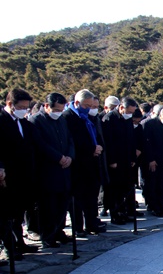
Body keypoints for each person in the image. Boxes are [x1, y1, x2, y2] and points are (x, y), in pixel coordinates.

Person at [29, 93, 74, 248]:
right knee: (48, 206)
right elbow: (40, 145)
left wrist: (69, 156)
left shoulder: (61, 119)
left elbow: (69, 140)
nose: (58, 113)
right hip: (48, 171)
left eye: (61, 110)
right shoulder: (36, 120)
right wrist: (58, 157)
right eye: (56, 109)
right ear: (46, 106)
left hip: (64, 169)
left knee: (62, 204)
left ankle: (59, 230)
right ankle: (48, 235)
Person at [0, 88, 40, 259]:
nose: (25, 110)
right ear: (10, 104)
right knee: (6, 215)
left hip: (24, 176)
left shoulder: (24, 123)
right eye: (22, 106)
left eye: (27, 107)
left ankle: (19, 242)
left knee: (18, 212)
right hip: (8, 177)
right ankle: (8, 247)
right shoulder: (1, 121)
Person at [63, 89, 107, 236]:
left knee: (91, 196)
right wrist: (91, 149)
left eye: (92, 106)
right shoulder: (68, 117)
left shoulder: (87, 117)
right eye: (86, 105)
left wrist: (97, 148)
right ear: (77, 103)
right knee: (77, 199)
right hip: (78, 165)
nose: (89, 108)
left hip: (92, 163)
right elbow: (73, 141)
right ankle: (78, 227)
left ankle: (91, 223)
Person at [102, 96, 138, 224]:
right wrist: (112, 160)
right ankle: (115, 214)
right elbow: (108, 142)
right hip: (116, 160)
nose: (130, 114)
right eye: (129, 111)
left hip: (127, 159)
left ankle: (125, 212)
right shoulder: (109, 118)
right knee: (115, 190)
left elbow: (131, 139)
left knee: (125, 187)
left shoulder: (127, 119)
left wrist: (132, 157)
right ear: (121, 108)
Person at [142, 106, 163, 216]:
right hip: (151, 159)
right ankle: (153, 206)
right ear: (161, 115)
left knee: (162, 184)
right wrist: (150, 159)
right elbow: (146, 144)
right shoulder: (149, 124)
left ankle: (162, 206)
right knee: (152, 184)